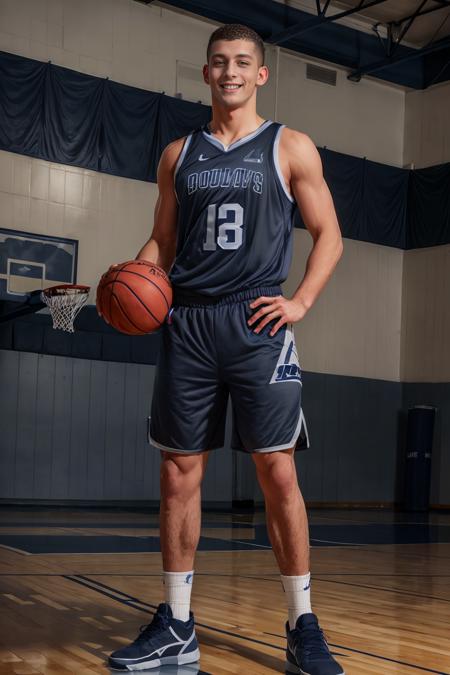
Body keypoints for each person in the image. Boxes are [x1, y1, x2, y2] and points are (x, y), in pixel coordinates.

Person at [108, 23, 344, 675]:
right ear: (206, 73)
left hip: (258, 321)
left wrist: (299, 302)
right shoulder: (177, 154)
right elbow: (162, 239)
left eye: (243, 62)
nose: (231, 72)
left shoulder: (289, 146)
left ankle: (303, 623)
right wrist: (133, 280)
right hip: (188, 321)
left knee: (277, 470)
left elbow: (329, 235)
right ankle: (178, 625)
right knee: (179, 473)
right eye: (219, 62)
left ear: (260, 74)